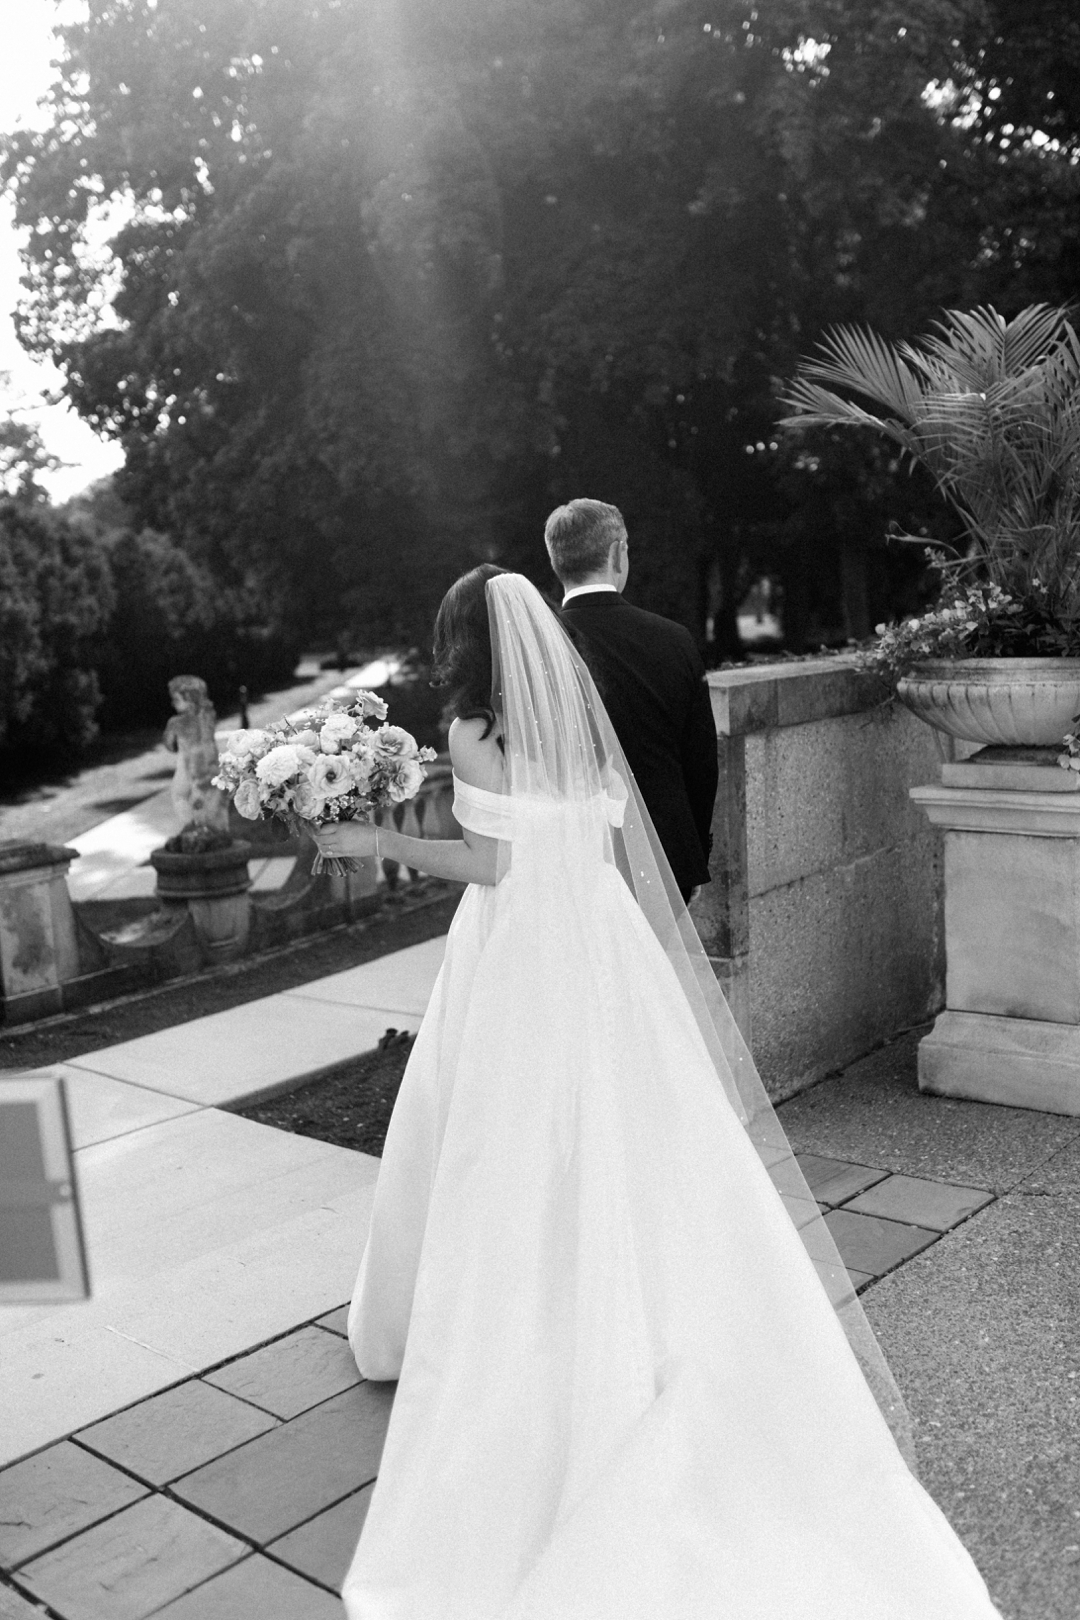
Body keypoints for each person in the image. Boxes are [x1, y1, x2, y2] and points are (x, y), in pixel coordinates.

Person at [313, 568, 1003, 1620]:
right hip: (599, 938)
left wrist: (376, 841)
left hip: (519, 952)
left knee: (511, 1144)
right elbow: (581, 839)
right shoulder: (577, 720)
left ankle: (524, 1339)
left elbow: (493, 861)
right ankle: (658, 1315)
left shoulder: (469, 729)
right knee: (638, 1133)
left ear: (463, 644)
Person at [548, 499, 717, 904]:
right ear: (617, 553)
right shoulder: (673, 640)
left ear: (557, 560)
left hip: (567, 866)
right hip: (662, 863)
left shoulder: (538, 648)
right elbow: (701, 764)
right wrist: (689, 857)